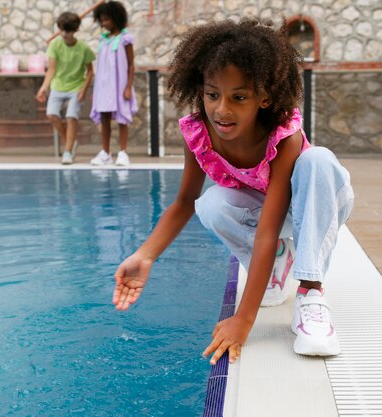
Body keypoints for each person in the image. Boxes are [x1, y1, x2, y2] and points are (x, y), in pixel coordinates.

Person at [112, 19, 354, 365]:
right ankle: (275, 273)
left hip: (315, 206)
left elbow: (267, 231)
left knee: (318, 160)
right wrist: (146, 255)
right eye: (213, 94)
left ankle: (310, 293)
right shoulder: (199, 134)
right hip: (272, 216)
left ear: (265, 97)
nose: (222, 109)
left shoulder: (284, 136)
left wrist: (244, 319)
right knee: (211, 203)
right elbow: (183, 203)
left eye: (239, 97)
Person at [36, 12, 95, 165]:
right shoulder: (55, 44)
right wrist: (44, 87)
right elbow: (51, 69)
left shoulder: (83, 48)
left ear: (75, 30)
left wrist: (83, 89)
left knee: (71, 117)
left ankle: (67, 152)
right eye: (61, 30)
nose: (64, 34)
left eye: (67, 31)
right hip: (57, 87)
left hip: (76, 88)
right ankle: (71, 141)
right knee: (52, 115)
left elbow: (90, 71)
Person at [89, 1, 137, 166]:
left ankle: (123, 152)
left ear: (116, 18)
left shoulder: (125, 40)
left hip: (120, 86)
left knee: (122, 118)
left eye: (107, 19)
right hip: (104, 87)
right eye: (101, 20)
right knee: (104, 118)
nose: (104, 23)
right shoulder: (103, 40)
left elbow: (131, 65)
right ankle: (105, 153)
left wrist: (128, 86)